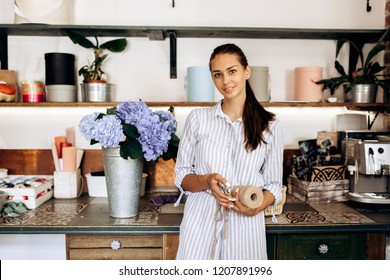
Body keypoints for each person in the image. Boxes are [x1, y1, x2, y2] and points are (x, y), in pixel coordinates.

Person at [174, 43, 283, 260]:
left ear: (246, 71)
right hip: (200, 219)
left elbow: (273, 185)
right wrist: (207, 181)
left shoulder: (270, 125)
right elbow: (182, 176)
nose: (226, 81)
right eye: (218, 74)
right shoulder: (197, 119)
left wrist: (256, 207)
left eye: (232, 71)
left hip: (246, 224)